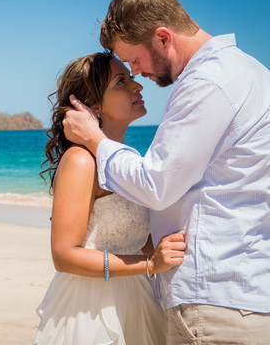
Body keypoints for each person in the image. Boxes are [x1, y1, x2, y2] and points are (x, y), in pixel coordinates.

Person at [62, 0, 270, 344]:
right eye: (123, 75)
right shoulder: (251, 72)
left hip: (214, 297)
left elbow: (157, 185)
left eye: (135, 61)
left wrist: (96, 139)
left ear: (162, 37)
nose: (138, 76)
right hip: (233, 289)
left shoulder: (208, 82)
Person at [34, 52, 186, 344]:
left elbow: (142, 237)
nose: (137, 86)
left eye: (131, 78)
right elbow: (64, 256)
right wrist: (150, 265)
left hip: (138, 297)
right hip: (92, 308)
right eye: (121, 81)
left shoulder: (129, 161)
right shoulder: (81, 161)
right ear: (94, 105)